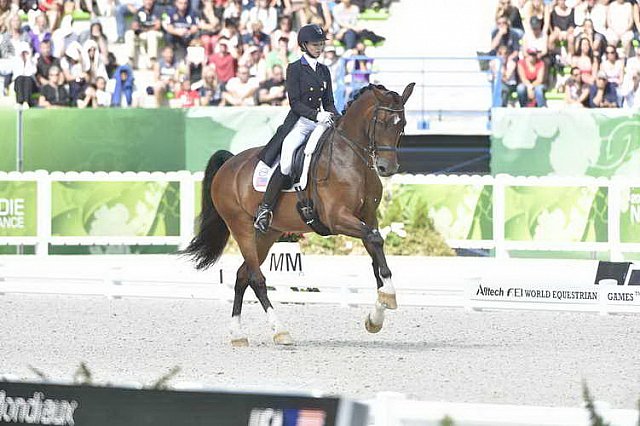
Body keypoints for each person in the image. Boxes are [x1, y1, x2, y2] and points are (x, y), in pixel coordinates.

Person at [254, 24, 339, 234]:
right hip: (301, 123)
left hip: (320, 122)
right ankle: (265, 209)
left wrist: (336, 117)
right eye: (315, 44)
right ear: (304, 45)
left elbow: (329, 102)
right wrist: (316, 115)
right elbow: (295, 103)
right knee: (286, 161)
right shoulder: (294, 68)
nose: (319, 48)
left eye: (321, 44)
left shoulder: (324, 70)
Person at [125, 0, 162, 69]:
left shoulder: (158, 10)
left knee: (151, 34)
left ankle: (152, 61)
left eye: (150, 0)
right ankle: (130, 60)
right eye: (146, 0)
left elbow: (157, 26)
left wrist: (144, 29)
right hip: (143, 33)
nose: (148, 2)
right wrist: (141, 29)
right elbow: (134, 25)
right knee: (129, 33)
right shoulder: (139, 11)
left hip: (156, 33)